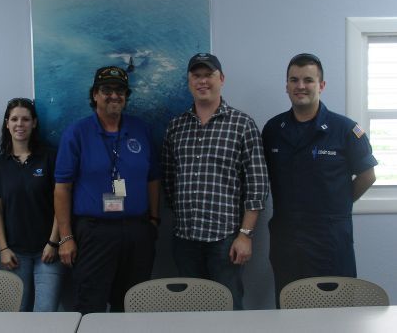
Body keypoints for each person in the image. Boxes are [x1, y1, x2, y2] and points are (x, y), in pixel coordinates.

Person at [262, 53, 378, 306]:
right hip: (287, 237)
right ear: (286, 86)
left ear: (321, 85)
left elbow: (368, 175)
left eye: (308, 80)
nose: (300, 86)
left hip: (330, 238)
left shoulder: (345, 129)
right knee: (288, 307)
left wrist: (340, 201)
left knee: (336, 310)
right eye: (294, 80)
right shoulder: (272, 130)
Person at [162, 53, 269, 310]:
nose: (202, 81)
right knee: (190, 310)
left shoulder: (242, 125)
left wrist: (244, 235)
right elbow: (169, 182)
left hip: (226, 241)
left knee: (228, 308)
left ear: (221, 79)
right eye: (196, 76)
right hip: (185, 240)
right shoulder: (176, 127)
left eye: (208, 75)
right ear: (189, 82)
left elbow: (257, 186)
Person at [54, 66, 160, 314]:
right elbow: (62, 188)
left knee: (134, 305)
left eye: (120, 90)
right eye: (107, 90)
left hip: (137, 231)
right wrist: (66, 237)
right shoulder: (76, 133)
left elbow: (153, 178)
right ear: (95, 95)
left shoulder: (141, 130)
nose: (114, 95)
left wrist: (154, 220)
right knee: (90, 305)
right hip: (93, 233)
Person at [0, 97, 64, 311]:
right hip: (13, 253)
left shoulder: (50, 157)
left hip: (48, 252)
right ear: (7, 123)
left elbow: (61, 201)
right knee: (16, 316)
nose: (19, 124)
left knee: (45, 314)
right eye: (14, 119)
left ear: (34, 123)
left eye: (25, 119)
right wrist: (3, 248)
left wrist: (53, 242)